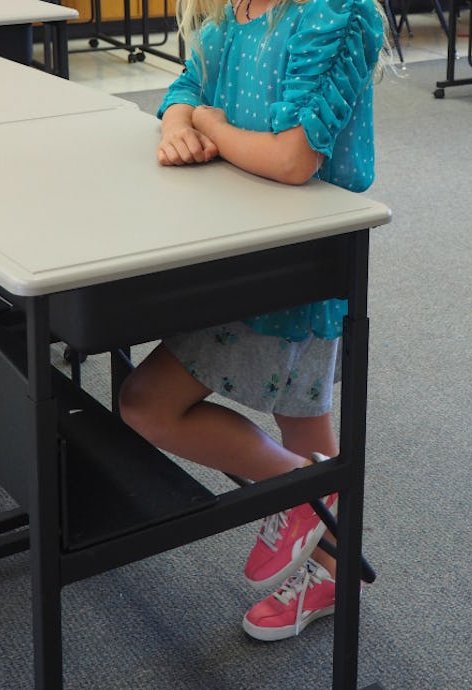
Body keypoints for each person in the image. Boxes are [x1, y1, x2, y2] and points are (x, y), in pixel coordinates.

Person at [118, 0, 387, 641]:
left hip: (296, 260)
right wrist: (179, 123)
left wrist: (210, 120)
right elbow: (186, 85)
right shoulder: (228, 12)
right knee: (303, 413)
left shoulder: (337, 13)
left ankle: (308, 491)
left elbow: (294, 158)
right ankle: (326, 541)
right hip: (235, 245)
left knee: (147, 404)